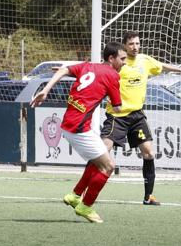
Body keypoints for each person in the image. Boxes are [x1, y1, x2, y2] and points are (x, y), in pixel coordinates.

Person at [30, 42, 126, 223]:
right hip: (78, 129)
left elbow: (63, 70)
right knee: (108, 166)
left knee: (98, 162)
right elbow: (118, 108)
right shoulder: (112, 75)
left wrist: (45, 90)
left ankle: (74, 196)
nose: (124, 63)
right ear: (111, 59)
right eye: (122, 59)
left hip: (71, 124)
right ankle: (86, 206)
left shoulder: (87, 65)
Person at [101, 31, 181, 206]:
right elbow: (96, 72)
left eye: (137, 43)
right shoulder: (117, 63)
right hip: (117, 116)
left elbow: (161, 65)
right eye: (131, 44)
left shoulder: (144, 61)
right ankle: (81, 191)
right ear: (124, 46)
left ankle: (148, 196)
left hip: (137, 115)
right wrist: (69, 71)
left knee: (148, 153)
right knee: (101, 152)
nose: (135, 47)